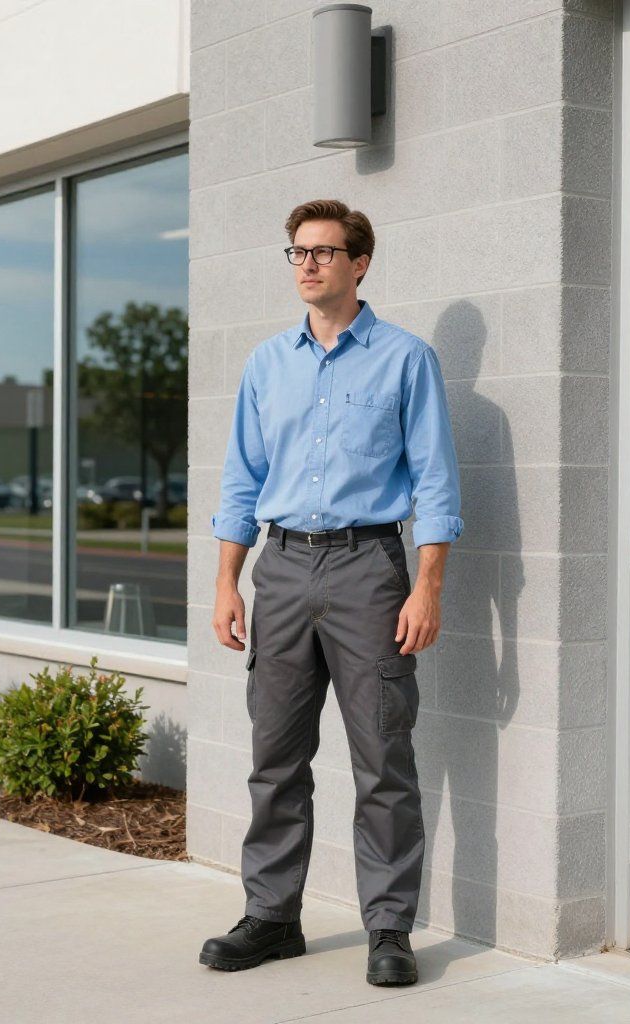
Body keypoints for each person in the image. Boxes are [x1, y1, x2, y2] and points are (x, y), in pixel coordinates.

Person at [199, 198, 464, 986]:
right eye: (297, 253)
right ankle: (273, 917)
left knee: (383, 758)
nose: (308, 264)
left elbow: (437, 483)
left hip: (367, 571)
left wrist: (428, 588)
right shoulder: (265, 365)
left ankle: (389, 930)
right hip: (279, 570)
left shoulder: (405, 359)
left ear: (359, 263)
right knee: (275, 755)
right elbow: (241, 479)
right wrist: (226, 583)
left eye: (323, 251)